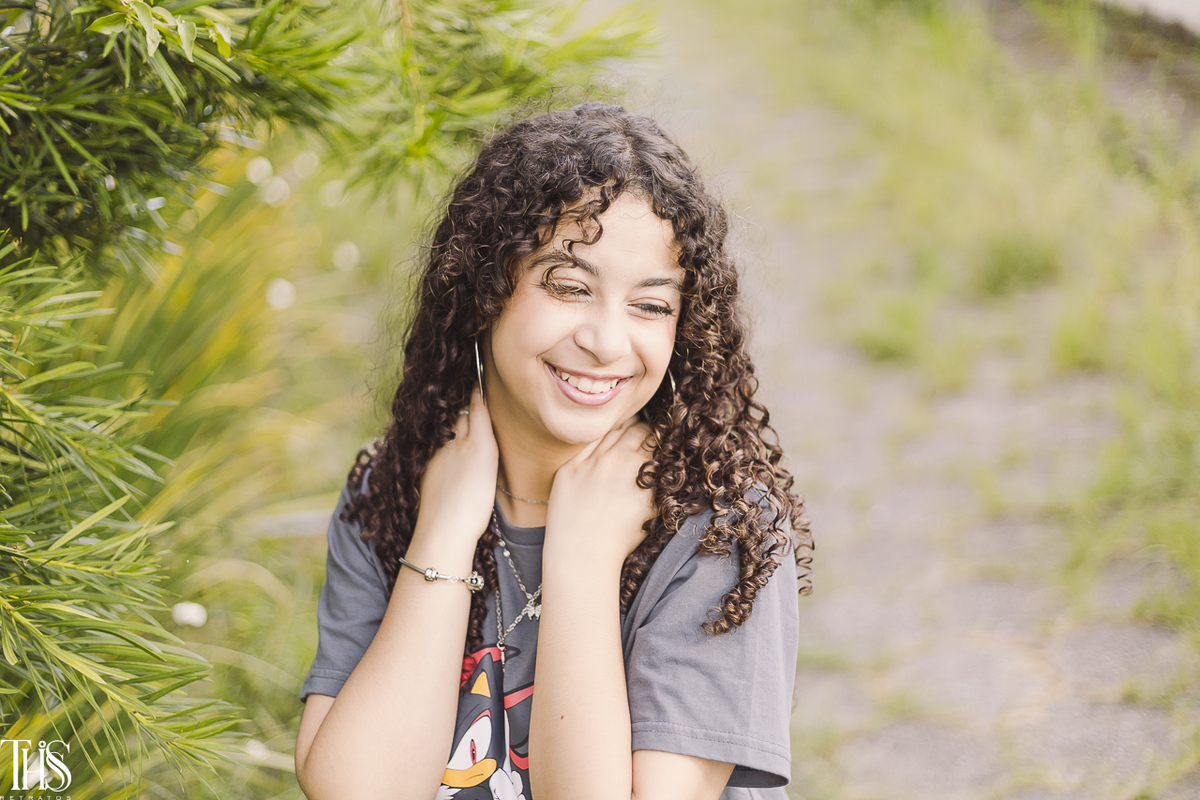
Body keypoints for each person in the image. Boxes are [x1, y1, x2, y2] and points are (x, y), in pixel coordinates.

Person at [293, 102, 814, 800]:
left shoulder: (720, 529)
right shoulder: (393, 491)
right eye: (570, 288)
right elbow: (355, 791)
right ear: (486, 288)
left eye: (651, 306)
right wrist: (445, 534)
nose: (605, 340)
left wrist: (583, 560)